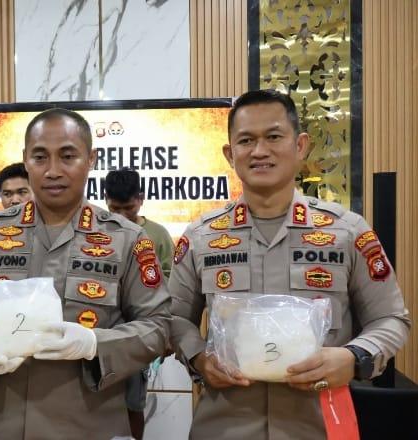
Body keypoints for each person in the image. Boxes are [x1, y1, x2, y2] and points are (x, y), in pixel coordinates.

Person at [169, 89, 411, 439]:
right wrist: (200, 360)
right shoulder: (202, 236)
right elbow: (174, 319)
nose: (259, 151)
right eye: (246, 140)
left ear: (300, 146)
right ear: (230, 154)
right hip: (224, 426)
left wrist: (354, 358)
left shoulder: (347, 231)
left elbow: (390, 318)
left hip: (320, 426)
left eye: (273, 137)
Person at [0, 108, 171, 439]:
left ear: (91, 159)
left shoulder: (126, 239)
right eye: (40, 157)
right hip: (3, 425)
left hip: (91, 426)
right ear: (26, 160)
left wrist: (94, 344)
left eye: (68, 156)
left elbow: (158, 326)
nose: (53, 171)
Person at [104, 167, 175, 440]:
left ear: (141, 199)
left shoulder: (157, 234)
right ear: (105, 200)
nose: (122, 216)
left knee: (133, 403)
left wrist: (164, 334)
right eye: (115, 209)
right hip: (100, 331)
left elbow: (171, 283)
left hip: (139, 333)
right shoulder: (97, 231)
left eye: (129, 208)